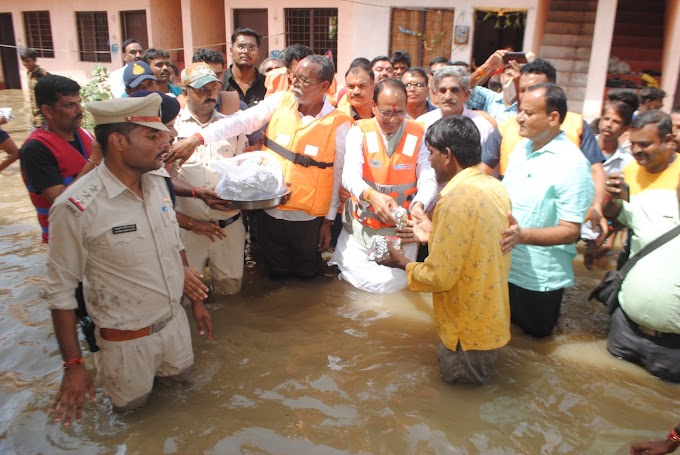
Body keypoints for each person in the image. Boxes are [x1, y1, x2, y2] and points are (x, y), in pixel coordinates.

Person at [45, 94, 213, 423]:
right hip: (125, 346)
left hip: (175, 329)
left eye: (162, 135)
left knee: (188, 411)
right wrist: (74, 366)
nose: (165, 143)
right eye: (152, 137)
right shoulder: (76, 206)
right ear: (118, 141)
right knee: (133, 423)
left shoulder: (157, 183)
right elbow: (60, 292)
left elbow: (173, 242)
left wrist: (195, 300)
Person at [168, 55, 352, 279]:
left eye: (303, 80)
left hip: (307, 220)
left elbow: (338, 175)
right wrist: (197, 138)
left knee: (308, 277)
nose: (294, 83)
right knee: (272, 275)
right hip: (269, 212)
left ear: (324, 86)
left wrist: (328, 221)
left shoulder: (340, 123)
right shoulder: (280, 102)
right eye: (294, 77)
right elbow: (241, 121)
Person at [379, 116, 512, 384]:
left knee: (461, 401)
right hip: (491, 321)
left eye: (431, 152)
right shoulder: (495, 187)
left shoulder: (453, 200)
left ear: (447, 155)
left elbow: (439, 277)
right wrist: (431, 235)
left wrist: (403, 263)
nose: (429, 160)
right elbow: (475, 247)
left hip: (465, 334)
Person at [500, 83, 594, 338]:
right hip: (506, 267)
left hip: (539, 280)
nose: (519, 117)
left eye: (528, 113)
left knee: (535, 346)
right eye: (520, 110)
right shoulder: (522, 149)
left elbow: (570, 231)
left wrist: (523, 236)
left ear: (553, 118)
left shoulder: (572, 164)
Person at [480, 58, 607, 244]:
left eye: (534, 89)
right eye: (522, 90)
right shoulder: (510, 129)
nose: (527, 96)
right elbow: (481, 172)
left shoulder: (576, 128)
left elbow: (595, 170)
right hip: (510, 241)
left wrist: (597, 206)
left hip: (548, 243)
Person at [329, 79, 437, 293]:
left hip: (401, 231)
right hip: (361, 229)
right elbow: (349, 175)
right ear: (373, 107)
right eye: (386, 112)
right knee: (351, 288)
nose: (393, 119)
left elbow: (428, 177)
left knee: (394, 289)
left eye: (399, 113)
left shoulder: (419, 133)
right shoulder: (359, 131)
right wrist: (370, 195)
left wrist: (419, 204)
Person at [602, 110, 680, 382]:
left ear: (669, 141)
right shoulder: (631, 171)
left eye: (644, 144)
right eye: (632, 144)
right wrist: (612, 200)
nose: (635, 151)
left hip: (673, 346)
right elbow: (620, 217)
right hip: (626, 327)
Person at [173, 62, 247, 295]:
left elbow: (242, 170)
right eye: (201, 89)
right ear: (185, 93)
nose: (210, 94)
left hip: (228, 227)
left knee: (231, 291)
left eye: (214, 88)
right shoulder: (171, 128)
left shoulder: (232, 125)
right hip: (188, 229)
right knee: (185, 294)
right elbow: (161, 180)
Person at [19, 75, 100, 243]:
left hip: (95, 231)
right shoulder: (35, 150)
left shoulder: (84, 134)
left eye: (79, 102)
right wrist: (94, 161)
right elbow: (62, 204)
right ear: (48, 111)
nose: (80, 110)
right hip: (65, 239)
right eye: (70, 105)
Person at [417, 66, 494, 149]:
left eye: (454, 90)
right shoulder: (422, 124)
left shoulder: (482, 126)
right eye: (443, 90)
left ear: (466, 95)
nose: (447, 97)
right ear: (435, 95)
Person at [222, 28, 267, 107]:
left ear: (258, 54)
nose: (245, 51)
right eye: (241, 46)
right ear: (231, 51)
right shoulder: (220, 82)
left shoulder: (267, 84)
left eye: (251, 48)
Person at [21, 48, 50, 128]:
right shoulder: (29, 73)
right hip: (34, 118)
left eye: (28, 61)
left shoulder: (42, 74)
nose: (25, 63)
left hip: (43, 118)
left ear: (34, 60)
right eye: (23, 61)